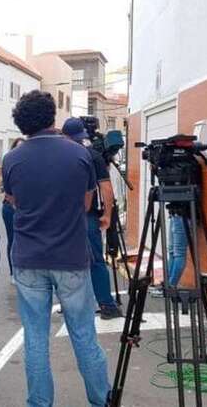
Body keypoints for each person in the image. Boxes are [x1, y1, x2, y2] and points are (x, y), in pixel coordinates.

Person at [2, 91, 109, 407]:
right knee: (83, 334)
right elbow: (86, 203)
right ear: (52, 116)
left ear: (22, 124)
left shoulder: (11, 159)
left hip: (28, 258)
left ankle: (39, 403)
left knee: (35, 338)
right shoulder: (79, 154)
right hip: (71, 257)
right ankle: (101, 400)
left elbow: (14, 201)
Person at [62, 118, 124, 320]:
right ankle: (107, 304)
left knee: (69, 261)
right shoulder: (93, 155)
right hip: (88, 216)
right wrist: (107, 214)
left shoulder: (60, 155)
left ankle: (71, 304)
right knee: (96, 260)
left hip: (65, 216)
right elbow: (106, 187)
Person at [1, 137, 26, 279]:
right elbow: (2, 186)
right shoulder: (8, 164)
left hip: (25, 206)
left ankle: (23, 271)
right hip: (10, 207)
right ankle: (13, 272)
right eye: (17, 147)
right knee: (12, 240)